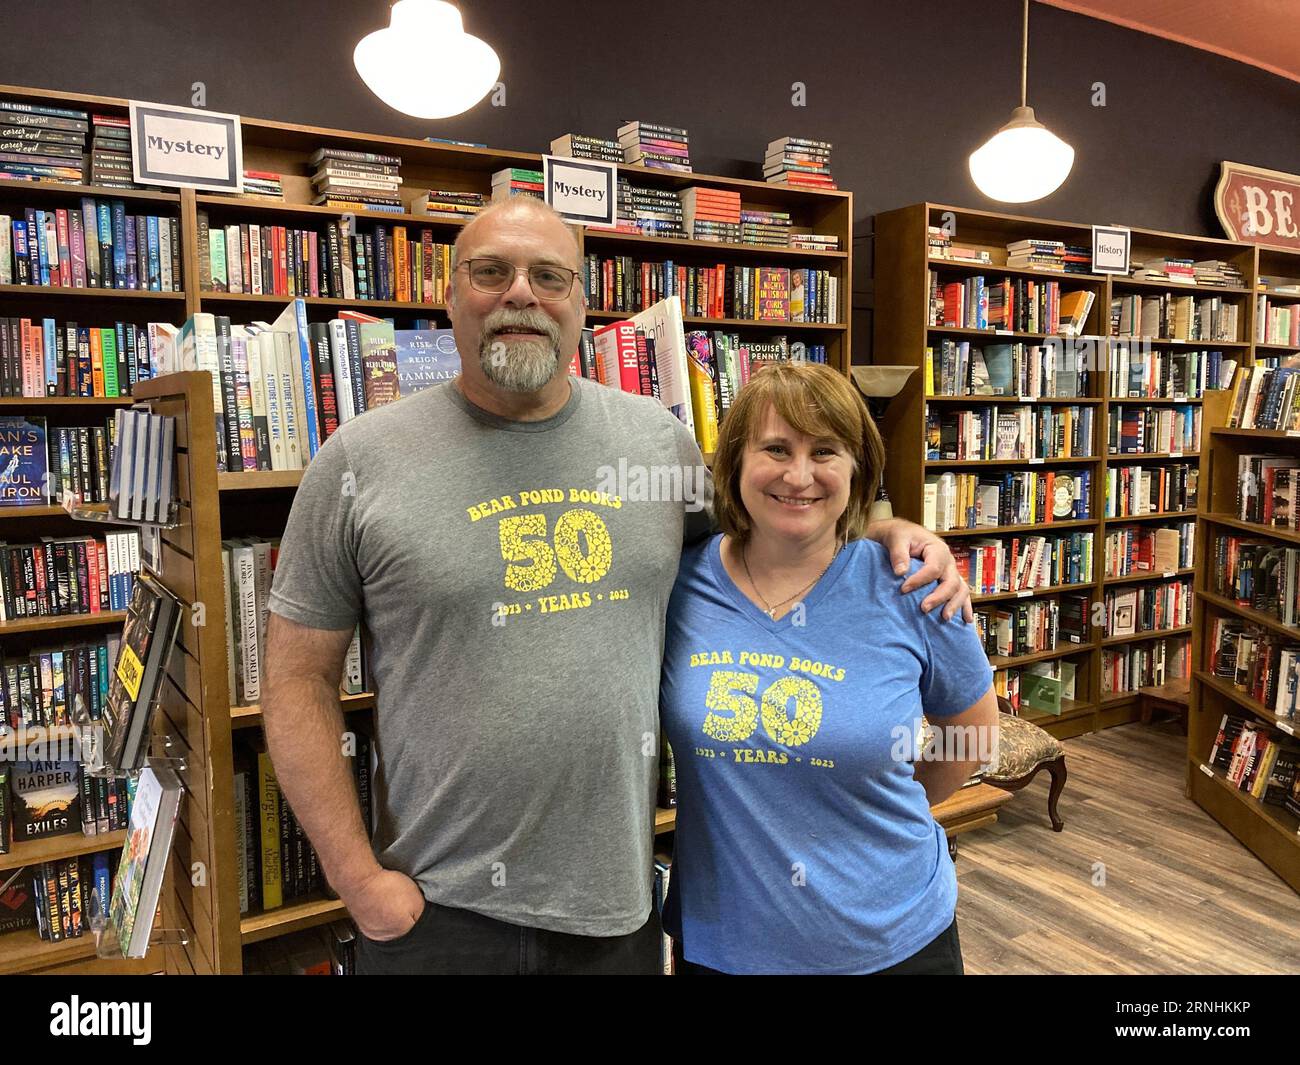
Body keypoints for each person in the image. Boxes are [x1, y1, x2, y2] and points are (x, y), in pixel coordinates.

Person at [261, 196, 973, 975]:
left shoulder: (655, 443)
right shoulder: (359, 460)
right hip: (436, 911)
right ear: (450, 293)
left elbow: (773, 522)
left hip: (617, 909)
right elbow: (297, 677)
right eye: (490, 272)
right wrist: (357, 880)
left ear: (583, 302)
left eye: (548, 275)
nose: (520, 294)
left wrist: (880, 527)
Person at [659, 360, 999, 975]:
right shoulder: (678, 581)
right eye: (775, 448)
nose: (799, 475)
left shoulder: (914, 585)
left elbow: (972, 732)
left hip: (893, 941)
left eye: (825, 451)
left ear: (857, 470)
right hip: (724, 943)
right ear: (734, 463)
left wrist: (884, 816)